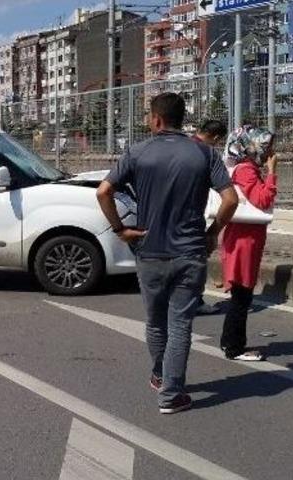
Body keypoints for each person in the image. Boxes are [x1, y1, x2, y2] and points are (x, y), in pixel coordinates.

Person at [96, 93, 238, 414]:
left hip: (149, 251)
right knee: (180, 324)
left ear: (156, 119)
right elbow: (230, 200)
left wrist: (120, 230)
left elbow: (104, 191)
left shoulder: (138, 152)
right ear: (180, 118)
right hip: (189, 252)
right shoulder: (204, 153)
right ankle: (171, 393)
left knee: (156, 321)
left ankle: (161, 374)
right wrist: (213, 233)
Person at [220, 126, 277, 362]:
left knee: (240, 295)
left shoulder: (245, 168)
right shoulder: (246, 171)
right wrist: (272, 172)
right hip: (244, 242)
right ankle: (235, 347)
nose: (270, 152)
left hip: (245, 239)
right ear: (252, 146)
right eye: (266, 146)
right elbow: (263, 199)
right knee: (242, 296)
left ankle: (229, 342)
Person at [192, 120, 229, 316]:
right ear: (215, 138)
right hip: (192, 221)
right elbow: (230, 200)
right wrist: (213, 232)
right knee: (196, 263)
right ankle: (195, 302)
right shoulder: (208, 154)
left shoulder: (180, 146)